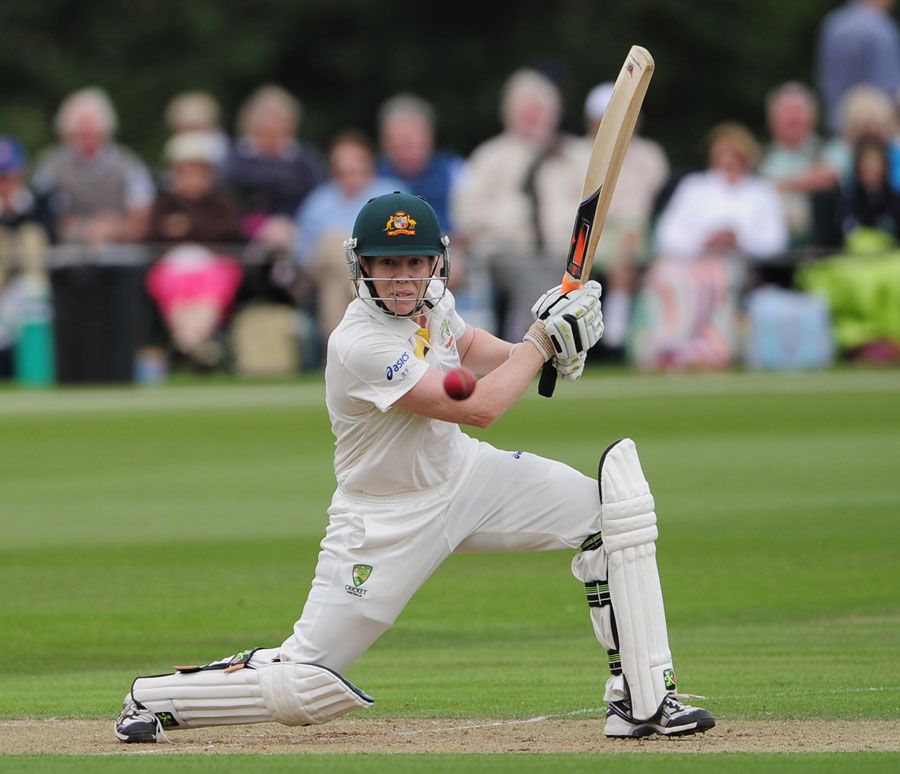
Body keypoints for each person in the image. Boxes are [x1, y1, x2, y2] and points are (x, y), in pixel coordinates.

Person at [114, 192, 715, 744]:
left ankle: (644, 698)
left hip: (467, 478)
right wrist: (539, 342)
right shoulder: (359, 344)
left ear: (435, 264)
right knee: (307, 682)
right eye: (387, 264)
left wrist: (554, 350)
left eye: (415, 263)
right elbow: (479, 407)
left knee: (613, 517)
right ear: (361, 266)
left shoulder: (434, 303)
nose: (402, 279)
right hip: (385, 520)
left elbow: (473, 345)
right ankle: (154, 699)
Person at [632, 123, 788, 371]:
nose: (728, 162)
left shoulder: (760, 192)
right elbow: (668, 235)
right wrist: (703, 241)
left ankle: (706, 349)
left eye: (735, 156)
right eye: (722, 155)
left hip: (739, 266)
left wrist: (740, 240)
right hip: (691, 261)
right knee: (668, 279)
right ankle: (669, 348)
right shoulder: (694, 187)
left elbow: (774, 242)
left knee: (710, 279)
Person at [452, 68, 587, 340]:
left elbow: (592, 206)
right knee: (531, 272)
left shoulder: (574, 156)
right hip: (504, 252)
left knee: (562, 271)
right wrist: (509, 221)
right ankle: (530, 346)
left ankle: (557, 345)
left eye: (540, 110)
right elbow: (466, 214)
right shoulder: (491, 156)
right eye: (527, 111)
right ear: (510, 113)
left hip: (564, 251)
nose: (534, 117)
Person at [294, 130, 404, 352]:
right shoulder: (319, 200)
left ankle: (338, 352)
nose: (349, 176)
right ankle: (365, 309)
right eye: (343, 170)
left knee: (334, 284)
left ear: (368, 166)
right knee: (335, 242)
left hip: (379, 267)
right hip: (333, 268)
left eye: (355, 169)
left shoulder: (390, 193)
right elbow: (303, 253)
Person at [580, 82, 669, 350]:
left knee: (627, 246)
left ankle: (616, 334)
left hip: (638, 232)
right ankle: (610, 332)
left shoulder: (650, 155)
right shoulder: (578, 153)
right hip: (590, 229)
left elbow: (658, 204)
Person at [32, 87, 155, 246]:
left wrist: (115, 228)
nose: (86, 140)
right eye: (80, 134)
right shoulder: (49, 165)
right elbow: (39, 215)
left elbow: (142, 215)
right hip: (64, 253)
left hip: (121, 252)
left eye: (92, 133)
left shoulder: (129, 164)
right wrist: (83, 229)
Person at [222, 85, 327, 252]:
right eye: (268, 119)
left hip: (296, 230)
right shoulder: (236, 158)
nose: (274, 127)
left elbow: (316, 199)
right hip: (244, 233)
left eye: (280, 120)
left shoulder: (306, 160)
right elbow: (229, 198)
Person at [758, 82, 843, 249]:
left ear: (813, 117)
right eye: (786, 111)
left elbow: (828, 178)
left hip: (820, 245)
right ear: (773, 119)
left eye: (798, 111)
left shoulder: (830, 149)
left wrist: (776, 185)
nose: (792, 117)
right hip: (772, 246)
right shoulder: (760, 158)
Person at [816, 0, 900, 134]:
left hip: (839, 124)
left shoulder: (833, 24)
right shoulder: (882, 27)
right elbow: (891, 87)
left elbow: (825, 80)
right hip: (877, 129)